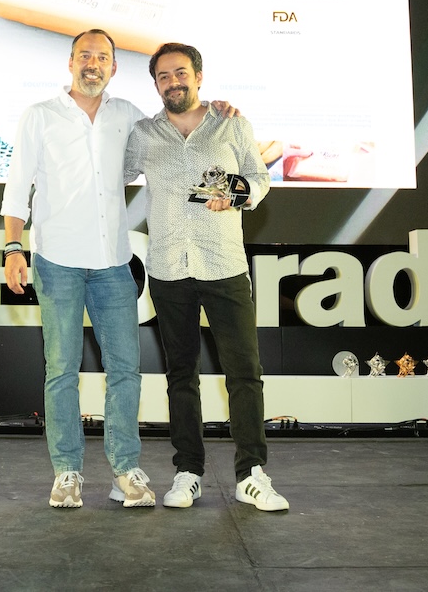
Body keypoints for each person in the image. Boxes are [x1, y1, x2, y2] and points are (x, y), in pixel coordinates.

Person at [124, 42, 289, 512]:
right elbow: (109, 177)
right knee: (181, 374)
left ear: (198, 76)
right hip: (168, 269)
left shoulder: (231, 123)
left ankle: (251, 474)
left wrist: (236, 193)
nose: (173, 82)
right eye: (163, 76)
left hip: (225, 266)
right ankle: (188, 472)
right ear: (156, 84)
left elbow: (259, 178)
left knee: (244, 373)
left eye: (180, 73)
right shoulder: (143, 134)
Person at [1, 29, 156, 509]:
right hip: (57, 262)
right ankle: (66, 472)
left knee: (125, 371)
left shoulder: (128, 115)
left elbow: (172, 139)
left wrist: (213, 114)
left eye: (102, 57)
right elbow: (17, 186)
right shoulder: (40, 115)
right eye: (85, 55)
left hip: (113, 263)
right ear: (70, 63)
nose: (93, 63)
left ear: (114, 67)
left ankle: (125, 471)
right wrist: (12, 247)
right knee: (62, 372)